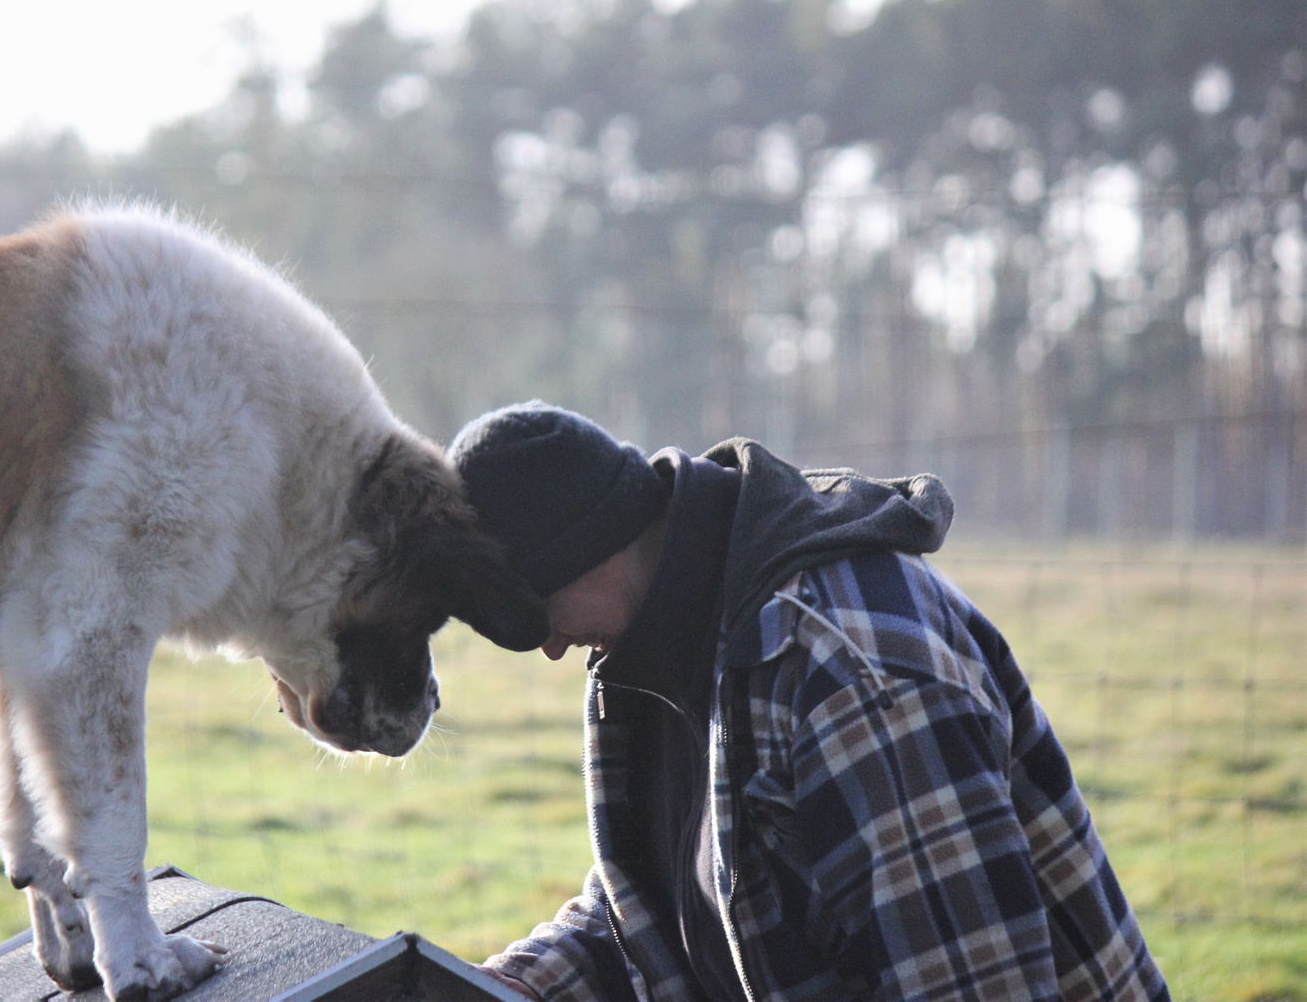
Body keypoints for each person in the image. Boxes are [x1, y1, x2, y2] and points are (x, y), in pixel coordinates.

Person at [452, 402, 1168, 1002]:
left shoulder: (850, 670)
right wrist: (508, 989)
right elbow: (664, 908)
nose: (547, 647)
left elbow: (971, 982)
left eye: (536, 615)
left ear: (586, 547)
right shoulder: (654, 638)